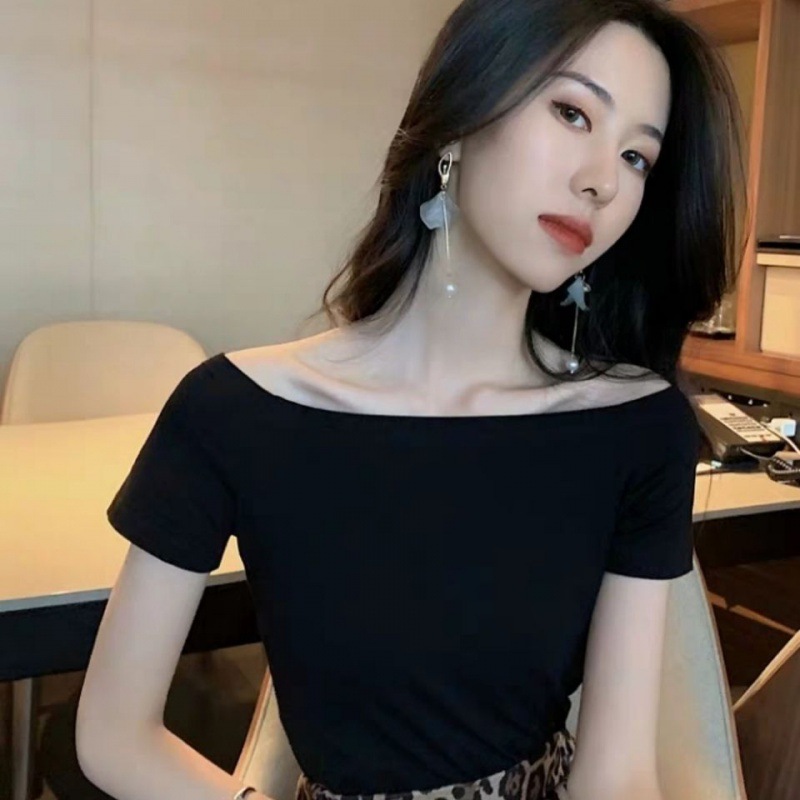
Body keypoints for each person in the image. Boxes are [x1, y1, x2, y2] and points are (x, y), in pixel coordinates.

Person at [75, 1, 748, 799]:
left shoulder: (633, 429)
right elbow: (114, 736)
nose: (601, 180)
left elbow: (619, 776)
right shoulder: (232, 413)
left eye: (637, 156)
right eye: (573, 113)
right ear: (459, 118)